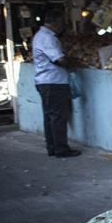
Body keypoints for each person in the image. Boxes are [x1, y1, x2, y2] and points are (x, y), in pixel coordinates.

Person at [32, 9, 81, 157]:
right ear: (55, 23)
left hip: (46, 82)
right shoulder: (47, 38)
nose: (63, 25)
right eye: (61, 22)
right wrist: (74, 62)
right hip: (52, 82)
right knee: (58, 116)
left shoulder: (41, 36)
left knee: (50, 116)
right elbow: (59, 60)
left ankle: (52, 147)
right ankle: (61, 149)